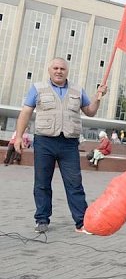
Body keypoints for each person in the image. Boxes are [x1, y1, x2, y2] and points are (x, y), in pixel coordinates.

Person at [13, 57, 107, 234]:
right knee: (42, 182)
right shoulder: (37, 88)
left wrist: (98, 96)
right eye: (55, 68)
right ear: (49, 70)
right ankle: (42, 219)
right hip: (44, 142)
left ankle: (82, 222)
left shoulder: (77, 90)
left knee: (74, 184)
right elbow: (25, 112)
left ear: (67, 71)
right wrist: (18, 137)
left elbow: (91, 111)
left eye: (62, 68)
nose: (59, 71)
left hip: (69, 144)